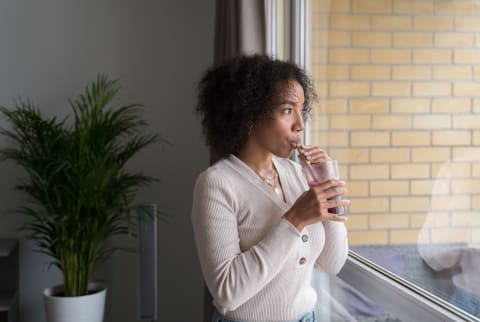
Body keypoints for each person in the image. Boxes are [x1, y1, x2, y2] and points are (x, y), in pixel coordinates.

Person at [191, 54, 350, 322]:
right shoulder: (216, 183)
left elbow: (332, 263)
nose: (300, 124)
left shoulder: (297, 174)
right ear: (250, 114)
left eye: (301, 110)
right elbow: (227, 292)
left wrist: (326, 188)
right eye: (287, 110)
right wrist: (295, 220)